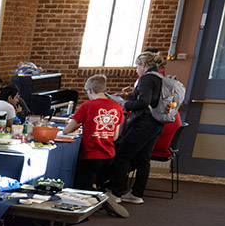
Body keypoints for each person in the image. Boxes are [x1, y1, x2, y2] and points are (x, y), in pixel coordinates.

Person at [107, 51, 167, 204]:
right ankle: (137, 194)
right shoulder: (160, 78)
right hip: (156, 123)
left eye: (136, 66)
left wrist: (125, 104)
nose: (136, 70)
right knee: (143, 159)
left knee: (123, 156)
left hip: (143, 123)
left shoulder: (146, 78)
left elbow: (143, 102)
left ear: (144, 65)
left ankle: (116, 193)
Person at [62, 75, 126, 202]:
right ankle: (99, 197)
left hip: (91, 155)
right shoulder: (117, 106)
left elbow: (66, 130)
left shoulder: (87, 106)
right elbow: (115, 136)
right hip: (109, 156)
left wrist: (81, 124)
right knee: (95, 182)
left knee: (84, 188)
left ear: (90, 90)